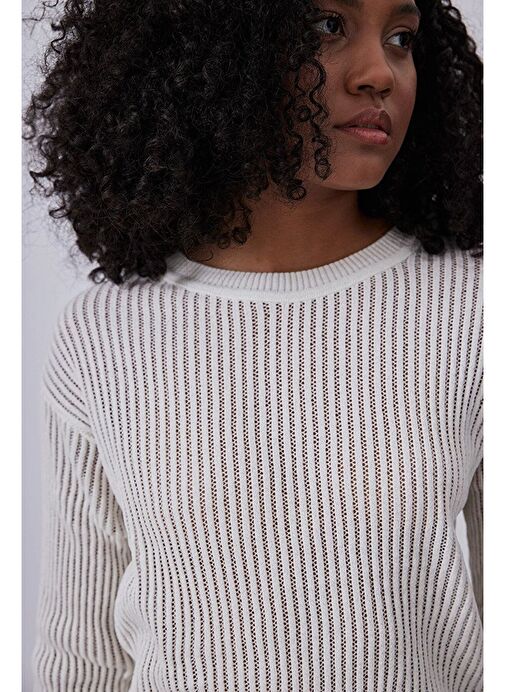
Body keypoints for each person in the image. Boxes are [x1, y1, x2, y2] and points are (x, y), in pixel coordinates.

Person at [24, 0, 483, 689]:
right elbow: (82, 656)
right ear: (213, 45)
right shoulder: (103, 336)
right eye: (327, 26)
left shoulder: (473, 312)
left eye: (400, 38)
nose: (379, 73)